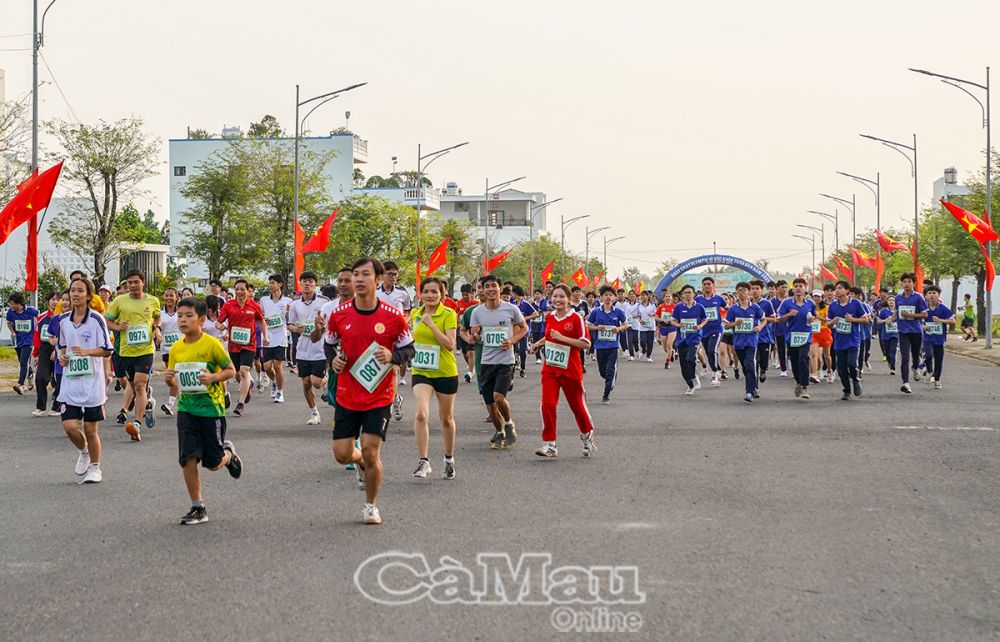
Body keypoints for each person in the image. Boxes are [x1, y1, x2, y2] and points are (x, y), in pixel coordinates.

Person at [328, 257, 415, 525]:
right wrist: (333, 360)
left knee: (370, 449)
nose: (358, 279)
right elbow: (330, 344)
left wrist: (392, 356)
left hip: (379, 395)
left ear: (377, 279)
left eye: (365, 274)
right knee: (343, 454)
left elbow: (409, 350)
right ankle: (362, 464)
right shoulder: (339, 314)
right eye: (355, 274)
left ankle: (371, 505)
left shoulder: (393, 316)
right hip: (347, 394)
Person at [164, 296, 242, 525]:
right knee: (187, 459)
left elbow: (231, 370)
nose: (182, 320)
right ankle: (198, 507)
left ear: (201, 319)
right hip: (187, 409)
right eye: (179, 316)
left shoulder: (211, 344)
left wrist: (213, 377)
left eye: (188, 316)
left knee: (212, 463)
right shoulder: (176, 348)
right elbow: (175, 382)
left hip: (211, 409)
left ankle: (228, 456)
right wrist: (170, 381)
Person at [55, 278, 114, 484]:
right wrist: (63, 357)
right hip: (71, 382)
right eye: (73, 290)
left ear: (89, 296)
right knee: (70, 427)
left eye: (80, 291)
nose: (75, 294)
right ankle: (84, 451)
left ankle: (96, 468)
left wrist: (87, 352)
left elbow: (107, 350)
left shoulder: (96, 319)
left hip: (92, 384)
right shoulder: (62, 321)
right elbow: (63, 346)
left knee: (90, 430)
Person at [530, 284, 596, 457]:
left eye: (561, 297)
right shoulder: (550, 316)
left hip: (570, 369)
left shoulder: (576, 318)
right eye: (555, 296)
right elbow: (550, 335)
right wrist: (538, 343)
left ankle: (587, 433)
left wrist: (562, 338)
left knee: (577, 407)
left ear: (568, 299)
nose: (557, 300)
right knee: (547, 404)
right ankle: (550, 443)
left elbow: (586, 343)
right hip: (550, 368)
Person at [468, 274, 529, 449]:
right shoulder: (477, 312)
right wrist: (475, 336)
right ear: (482, 290)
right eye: (487, 286)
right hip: (486, 361)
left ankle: (509, 423)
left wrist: (512, 340)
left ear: (500, 288)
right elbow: (476, 338)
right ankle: (500, 432)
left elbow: (524, 328)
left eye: (494, 285)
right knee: (490, 405)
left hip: (505, 361)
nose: (491, 289)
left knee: (499, 397)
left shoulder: (511, 309)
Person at [408, 278, 459, 479]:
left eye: (434, 292)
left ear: (442, 295)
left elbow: (449, 344)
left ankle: (448, 458)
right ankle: (424, 461)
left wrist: (432, 325)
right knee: (421, 414)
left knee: (446, 418)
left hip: (445, 372)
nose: (430, 295)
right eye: (426, 291)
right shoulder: (415, 314)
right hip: (421, 371)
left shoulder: (448, 314)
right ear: (420, 294)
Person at [105, 269, 161, 441]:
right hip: (126, 351)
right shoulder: (119, 301)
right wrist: (117, 327)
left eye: (136, 282)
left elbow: (157, 318)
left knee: (139, 384)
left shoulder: (153, 301)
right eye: (129, 282)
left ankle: (136, 423)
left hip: (146, 350)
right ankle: (148, 405)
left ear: (143, 282)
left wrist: (157, 329)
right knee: (132, 385)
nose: (132, 285)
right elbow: (107, 320)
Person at [217, 279, 268, 416]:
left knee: (244, 371)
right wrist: (220, 326)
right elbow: (218, 322)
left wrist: (265, 336)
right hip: (234, 345)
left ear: (247, 291)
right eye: (236, 289)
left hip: (249, 344)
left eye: (242, 289)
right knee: (238, 375)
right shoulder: (228, 305)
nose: (239, 292)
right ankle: (248, 384)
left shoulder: (254, 305)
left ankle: (240, 404)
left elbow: (261, 321)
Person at [287, 271, 328, 425]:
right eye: (304, 281)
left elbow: (330, 321)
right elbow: (290, 324)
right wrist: (295, 329)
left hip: (320, 349)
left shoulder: (324, 302)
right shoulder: (295, 304)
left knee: (316, 383)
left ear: (315, 284)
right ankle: (314, 413)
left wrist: (321, 328)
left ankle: (327, 379)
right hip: (302, 349)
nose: (307, 284)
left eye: (310, 281)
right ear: (300, 283)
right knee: (306, 383)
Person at [376, 261, 412, 408]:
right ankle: (392, 397)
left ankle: (394, 400)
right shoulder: (375, 292)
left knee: (394, 368)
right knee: (381, 369)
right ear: (382, 275)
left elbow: (409, 311)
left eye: (395, 274)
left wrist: (405, 321)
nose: (392, 277)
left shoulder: (402, 293)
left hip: (397, 335)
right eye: (389, 274)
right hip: (378, 335)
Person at [826, 280, 869, 400]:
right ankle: (846, 390)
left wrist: (853, 320)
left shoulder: (855, 303)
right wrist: (832, 322)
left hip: (853, 339)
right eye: (836, 289)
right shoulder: (833, 306)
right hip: (839, 341)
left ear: (847, 291)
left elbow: (865, 319)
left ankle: (855, 380)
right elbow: (828, 324)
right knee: (841, 368)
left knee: (851, 363)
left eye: (840, 288)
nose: (837, 290)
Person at [723, 282, 766, 403]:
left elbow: (764, 320)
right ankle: (755, 386)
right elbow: (726, 326)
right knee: (746, 367)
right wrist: (734, 324)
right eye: (738, 291)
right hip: (738, 343)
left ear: (749, 292)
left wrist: (760, 327)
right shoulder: (733, 309)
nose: (741, 293)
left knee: (749, 364)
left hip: (752, 341)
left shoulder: (755, 308)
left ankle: (749, 392)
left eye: (743, 291)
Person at [586, 285, 629, 404]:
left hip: (613, 346)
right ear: (601, 298)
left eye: (610, 295)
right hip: (600, 346)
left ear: (614, 298)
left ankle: (606, 395)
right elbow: (587, 325)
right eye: (606, 295)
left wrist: (618, 329)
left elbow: (626, 324)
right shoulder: (596, 312)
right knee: (602, 371)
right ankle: (610, 379)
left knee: (610, 370)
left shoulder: (618, 312)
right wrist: (596, 327)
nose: (608, 297)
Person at [776, 278, 818, 399]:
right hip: (791, 337)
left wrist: (812, 319)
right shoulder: (786, 303)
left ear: (805, 289)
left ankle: (804, 387)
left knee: (803, 359)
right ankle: (798, 382)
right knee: (794, 362)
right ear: (793, 289)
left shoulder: (810, 303)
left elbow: (814, 316)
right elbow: (779, 319)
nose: (798, 288)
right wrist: (789, 314)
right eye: (796, 286)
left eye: (801, 286)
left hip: (806, 336)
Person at [893, 273, 929, 394]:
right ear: (902, 284)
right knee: (904, 357)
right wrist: (890, 319)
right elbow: (897, 313)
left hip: (916, 331)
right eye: (904, 282)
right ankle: (905, 383)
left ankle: (915, 367)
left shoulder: (918, 297)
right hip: (903, 331)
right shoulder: (898, 298)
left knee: (915, 355)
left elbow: (925, 314)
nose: (907, 284)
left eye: (909, 281)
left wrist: (911, 315)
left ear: (913, 284)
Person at [670, 285, 709, 395]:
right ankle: (690, 384)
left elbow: (705, 319)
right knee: (683, 365)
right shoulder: (678, 307)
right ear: (682, 295)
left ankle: (693, 375)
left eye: (689, 292)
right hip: (681, 338)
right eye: (685, 293)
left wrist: (700, 326)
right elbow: (672, 321)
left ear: (694, 294)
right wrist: (678, 324)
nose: (687, 295)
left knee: (690, 359)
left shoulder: (699, 307)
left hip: (694, 338)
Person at [260, 274, 292, 404]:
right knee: (267, 367)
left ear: (280, 284)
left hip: (281, 335)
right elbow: (260, 316)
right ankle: (274, 381)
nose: (270, 285)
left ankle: (280, 391)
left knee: (278, 366)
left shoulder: (288, 301)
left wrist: (289, 312)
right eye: (269, 283)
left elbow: (291, 318)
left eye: (272, 282)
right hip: (267, 336)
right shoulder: (263, 300)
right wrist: (263, 318)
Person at [32, 292, 62, 417]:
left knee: (59, 379)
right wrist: (36, 354)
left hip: (60, 349)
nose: (55, 302)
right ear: (48, 301)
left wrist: (57, 350)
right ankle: (40, 407)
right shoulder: (42, 317)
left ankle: (57, 407)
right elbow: (37, 336)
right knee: (40, 377)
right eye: (52, 299)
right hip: (44, 349)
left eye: (57, 299)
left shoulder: (64, 317)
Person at [695, 277, 727, 386]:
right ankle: (715, 367)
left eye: (709, 284)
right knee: (709, 352)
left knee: (712, 350)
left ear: (713, 285)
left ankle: (715, 374)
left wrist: (727, 318)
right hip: (704, 330)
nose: (707, 286)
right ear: (702, 286)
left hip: (717, 329)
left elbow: (728, 308)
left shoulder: (719, 298)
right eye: (705, 284)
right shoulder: (698, 300)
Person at [6, 292, 39, 395]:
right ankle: (30, 374)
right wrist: (12, 332)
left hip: (29, 340)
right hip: (18, 340)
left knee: (24, 361)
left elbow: (40, 316)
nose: (11, 306)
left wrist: (38, 328)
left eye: (12, 304)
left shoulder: (30, 310)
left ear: (18, 303)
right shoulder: (11, 313)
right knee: (22, 361)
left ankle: (20, 384)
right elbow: (8, 323)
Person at [922, 285, 955, 389]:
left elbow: (953, 321)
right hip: (927, 338)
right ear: (926, 296)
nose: (931, 295)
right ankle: (929, 370)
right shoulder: (923, 308)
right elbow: (917, 321)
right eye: (929, 293)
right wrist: (923, 327)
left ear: (938, 295)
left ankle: (937, 379)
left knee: (938, 359)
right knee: (928, 355)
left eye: (934, 293)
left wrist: (941, 320)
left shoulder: (943, 308)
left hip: (939, 339)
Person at [158, 287, 181, 415]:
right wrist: (158, 333)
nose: (168, 298)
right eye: (166, 295)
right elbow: (157, 326)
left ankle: (171, 404)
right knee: (172, 376)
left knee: (178, 375)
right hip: (167, 349)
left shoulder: (181, 312)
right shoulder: (161, 314)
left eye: (171, 295)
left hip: (182, 349)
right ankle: (173, 402)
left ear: (176, 297)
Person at [749, 280, 776, 385]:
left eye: (757, 289)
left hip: (764, 336)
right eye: (753, 289)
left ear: (761, 290)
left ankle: (763, 370)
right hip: (751, 337)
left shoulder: (767, 303)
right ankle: (754, 387)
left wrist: (762, 319)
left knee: (763, 361)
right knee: (754, 361)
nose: (755, 291)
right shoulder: (747, 303)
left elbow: (774, 319)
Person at [455, 284, 480, 382]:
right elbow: (457, 314)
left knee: (471, 352)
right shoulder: (459, 303)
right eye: (463, 295)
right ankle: (471, 366)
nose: (465, 297)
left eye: (467, 294)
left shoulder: (477, 304)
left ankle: (470, 372)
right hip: (462, 330)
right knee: (465, 353)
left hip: (473, 331)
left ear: (472, 294)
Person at [513, 285, 538, 378]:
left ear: (516, 293)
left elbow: (536, 314)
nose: (512, 294)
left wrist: (526, 318)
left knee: (522, 350)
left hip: (524, 331)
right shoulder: (512, 303)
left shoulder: (526, 304)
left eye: (513, 293)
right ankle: (514, 364)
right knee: (513, 350)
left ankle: (522, 368)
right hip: (514, 331)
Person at [769, 280, 789, 376]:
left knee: (791, 349)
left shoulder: (790, 300)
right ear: (777, 289)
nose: (784, 289)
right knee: (781, 349)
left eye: (785, 287)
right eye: (782, 287)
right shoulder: (772, 301)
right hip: (778, 328)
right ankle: (783, 369)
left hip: (790, 328)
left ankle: (792, 366)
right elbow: (770, 315)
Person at [876, 295, 899, 375]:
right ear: (887, 302)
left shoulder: (898, 311)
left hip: (895, 334)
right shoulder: (884, 311)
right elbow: (878, 321)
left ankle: (893, 367)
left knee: (893, 351)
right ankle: (890, 362)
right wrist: (885, 321)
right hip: (885, 334)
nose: (891, 302)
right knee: (887, 352)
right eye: (889, 300)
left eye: (893, 300)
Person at [655, 291, 677, 369]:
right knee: (665, 348)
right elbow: (656, 317)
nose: (667, 297)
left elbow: (678, 317)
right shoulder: (661, 307)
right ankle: (672, 352)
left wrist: (674, 321)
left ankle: (667, 362)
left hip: (672, 327)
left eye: (669, 296)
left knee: (669, 345)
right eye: (666, 296)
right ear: (664, 298)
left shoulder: (675, 307)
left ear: (672, 298)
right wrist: (662, 320)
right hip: (663, 327)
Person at [636, 291, 657, 362]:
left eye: (645, 295)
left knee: (650, 342)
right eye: (642, 295)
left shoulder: (652, 305)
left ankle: (649, 356)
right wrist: (640, 320)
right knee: (642, 341)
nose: (643, 297)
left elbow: (656, 314)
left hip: (651, 326)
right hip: (643, 326)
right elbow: (638, 314)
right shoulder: (639, 306)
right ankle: (644, 349)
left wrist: (653, 314)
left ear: (648, 297)